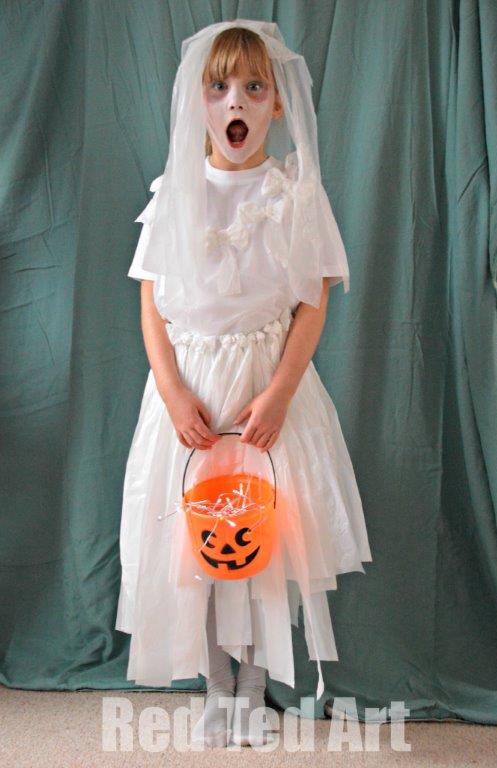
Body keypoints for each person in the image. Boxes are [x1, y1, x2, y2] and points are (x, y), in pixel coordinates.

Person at [115, 19, 373, 749]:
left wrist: (283, 390)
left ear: (276, 106)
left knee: (261, 535)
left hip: (264, 387)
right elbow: (150, 295)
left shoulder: (295, 193)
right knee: (195, 539)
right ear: (199, 102)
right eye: (221, 86)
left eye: (254, 88)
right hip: (191, 389)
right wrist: (169, 388)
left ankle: (255, 691)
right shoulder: (174, 192)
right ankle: (215, 689)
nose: (237, 100)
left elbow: (313, 300)